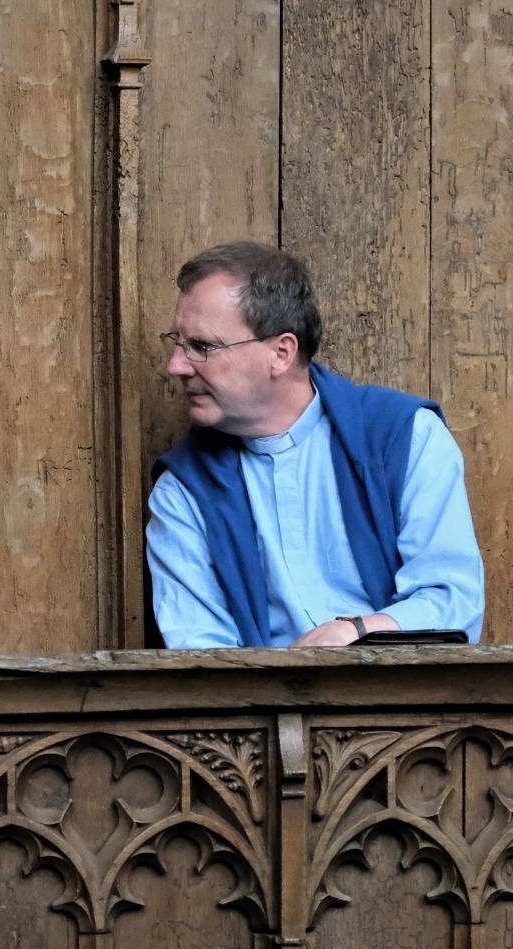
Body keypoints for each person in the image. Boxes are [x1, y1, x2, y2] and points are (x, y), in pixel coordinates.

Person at [147, 241, 485, 649]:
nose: (176, 366)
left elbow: (455, 602)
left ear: (281, 353)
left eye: (202, 347)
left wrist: (355, 631)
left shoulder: (404, 436)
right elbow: (200, 654)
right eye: (178, 342)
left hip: (409, 704)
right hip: (263, 706)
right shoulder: (182, 490)